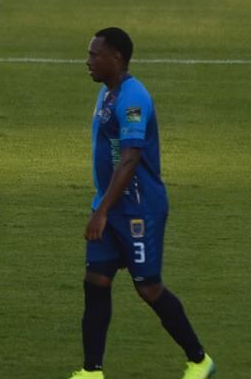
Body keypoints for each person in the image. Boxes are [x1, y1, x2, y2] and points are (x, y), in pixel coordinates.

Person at [69, 28, 215, 379]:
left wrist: (102, 211)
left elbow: (130, 158)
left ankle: (199, 361)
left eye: (94, 55)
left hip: (138, 211)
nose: (88, 61)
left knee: (148, 287)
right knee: (96, 282)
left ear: (116, 58)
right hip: (109, 207)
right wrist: (102, 207)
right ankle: (91, 371)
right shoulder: (107, 92)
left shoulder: (133, 99)